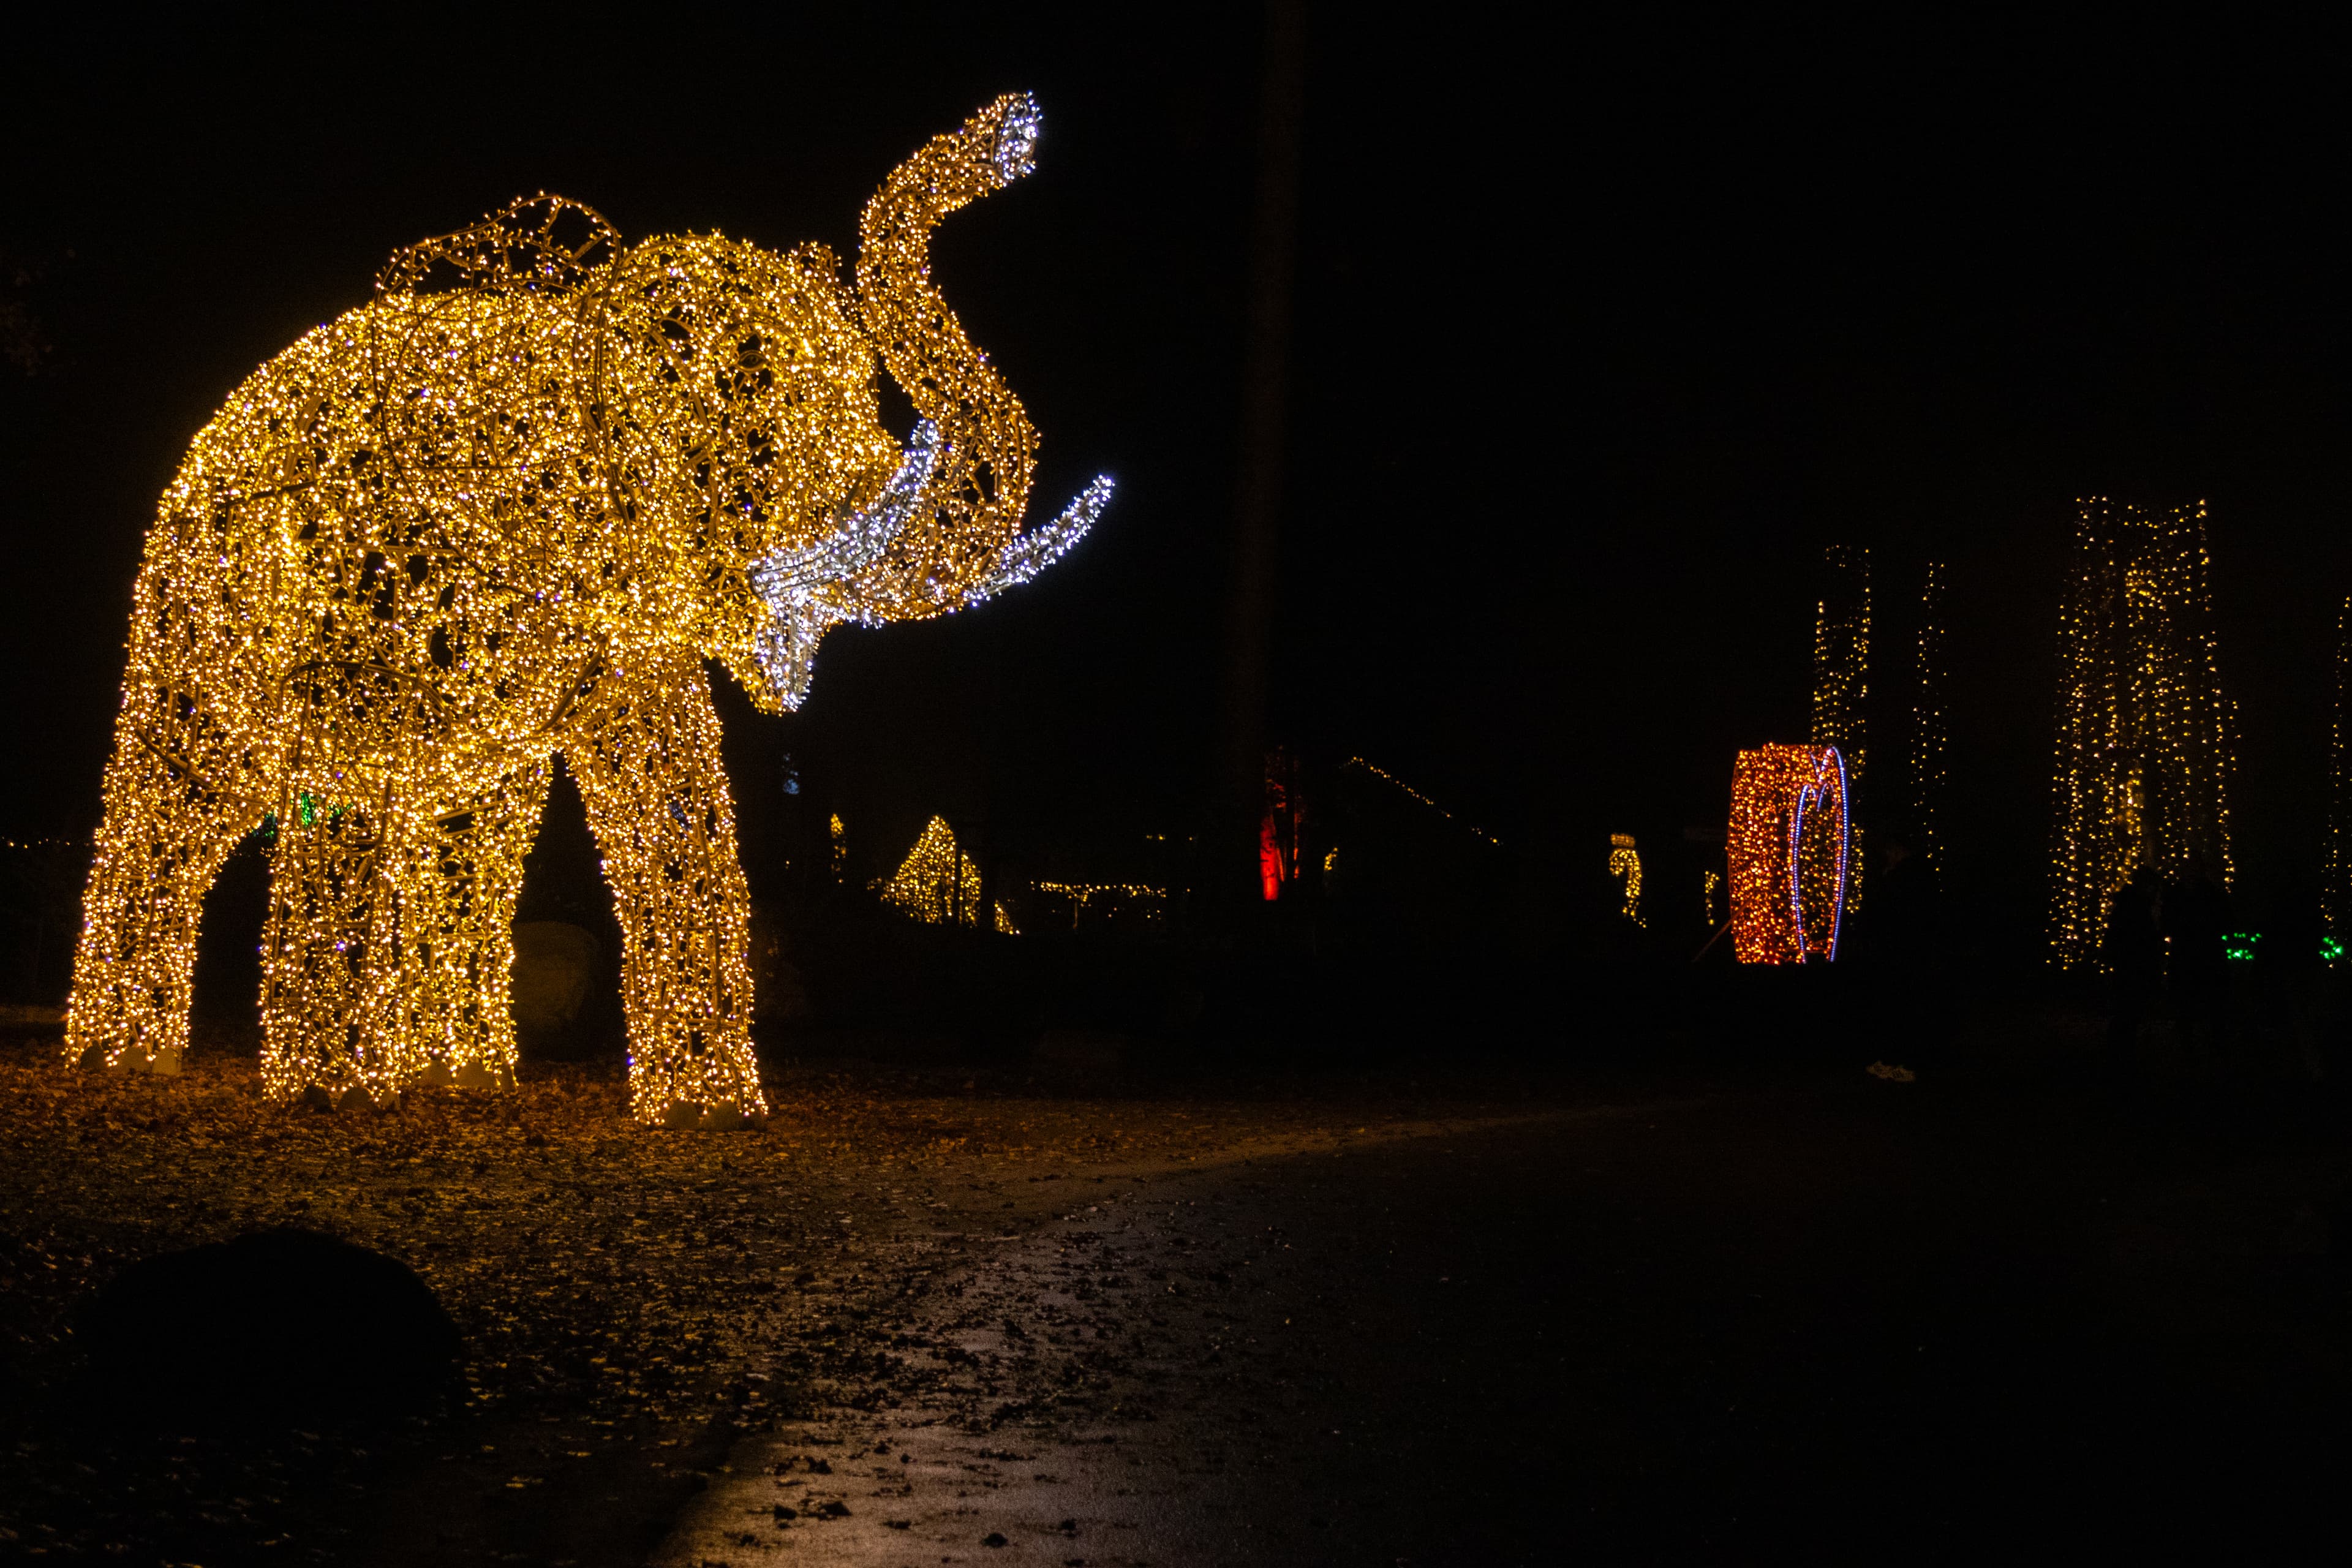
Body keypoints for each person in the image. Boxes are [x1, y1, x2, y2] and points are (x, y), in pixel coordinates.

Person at [2162, 851, 2233, 1070]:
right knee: (2190, 1009)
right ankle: (2193, 1051)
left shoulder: (2206, 895)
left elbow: (2225, 922)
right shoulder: (2183, 894)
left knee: (2208, 1008)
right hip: (2192, 959)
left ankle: (2210, 1051)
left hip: (2203, 959)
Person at [2101, 863, 2164, 1062]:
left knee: (2127, 1017)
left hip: (2129, 970)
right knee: (2128, 1017)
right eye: (2153, 888)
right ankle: (2121, 1061)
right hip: (2133, 971)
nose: (2155, 893)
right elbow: (2139, 943)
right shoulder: (2135, 909)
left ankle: (2120, 1059)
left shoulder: (2131, 906)